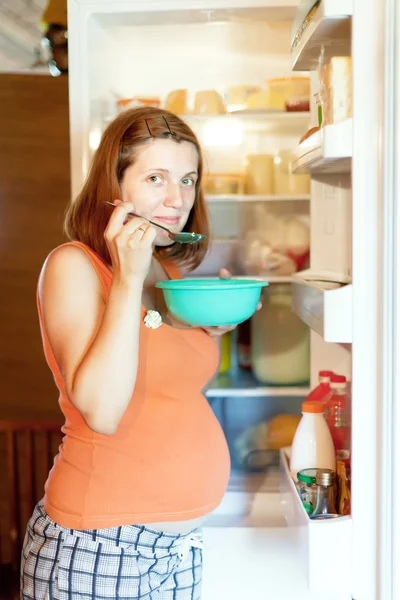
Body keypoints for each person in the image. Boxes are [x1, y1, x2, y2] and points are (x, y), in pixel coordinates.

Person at [20, 106, 235, 600]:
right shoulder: (74, 265)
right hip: (98, 546)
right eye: (155, 177)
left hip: (176, 551)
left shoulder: (166, 270)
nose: (177, 199)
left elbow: (160, 371)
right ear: (112, 187)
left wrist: (213, 324)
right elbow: (101, 409)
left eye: (188, 179)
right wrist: (129, 276)